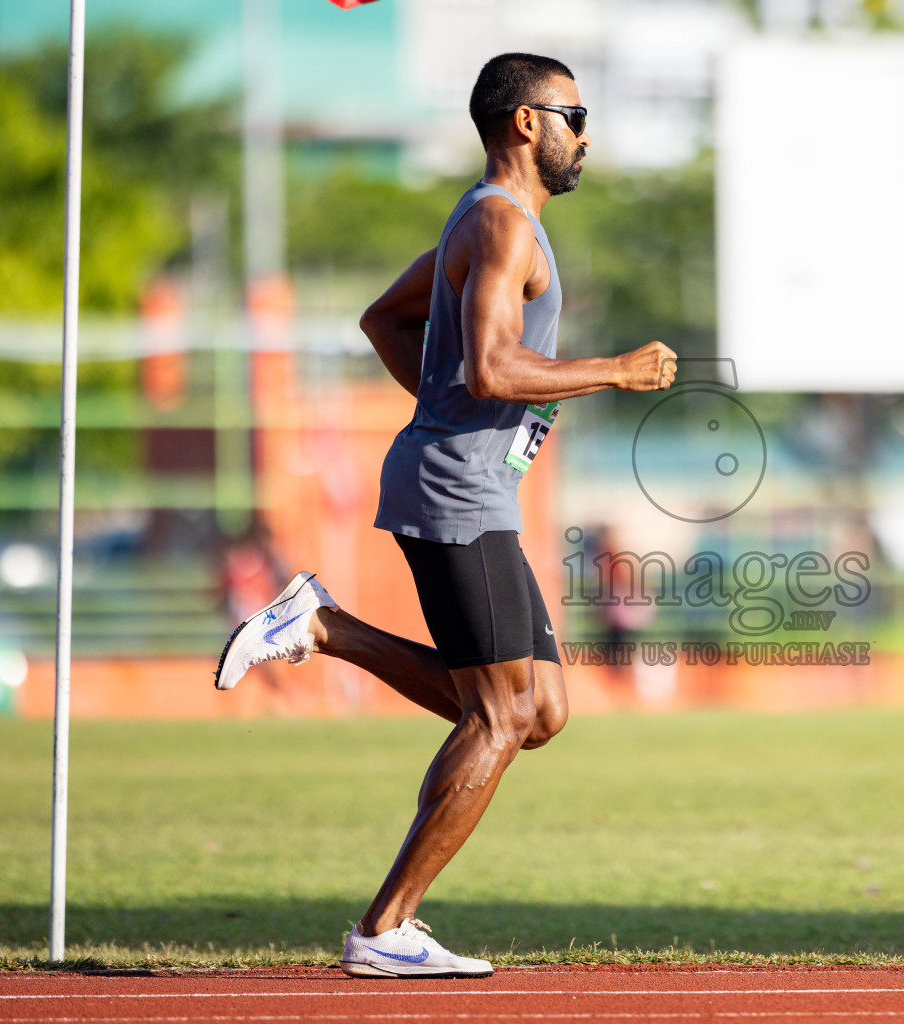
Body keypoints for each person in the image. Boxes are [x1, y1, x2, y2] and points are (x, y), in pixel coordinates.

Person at [210, 52, 678, 979]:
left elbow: (385, 321)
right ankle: (385, 927)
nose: (587, 134)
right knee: (501, 718)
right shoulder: (503, 226)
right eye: (575, 113)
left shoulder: (483, 218)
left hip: (461, 479)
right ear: (525, 123)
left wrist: (444, 417)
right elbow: (493, 369)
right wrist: (613, 371)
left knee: (537, 710)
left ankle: (325, 625)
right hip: (461, 493)